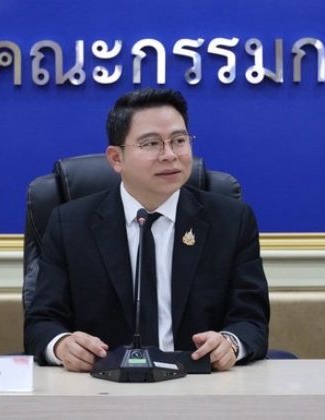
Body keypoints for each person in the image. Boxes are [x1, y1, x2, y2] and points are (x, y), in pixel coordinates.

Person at [25, 88, 269, 372]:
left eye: (179, 141)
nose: (169, 155)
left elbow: (251, 320)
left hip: (199, 382)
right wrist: (62, 345)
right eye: (151, 144)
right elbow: (41, 322)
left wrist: (230, 343)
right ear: (116, 158)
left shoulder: (231, 221)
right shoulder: (69, 225)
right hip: (101, 384)